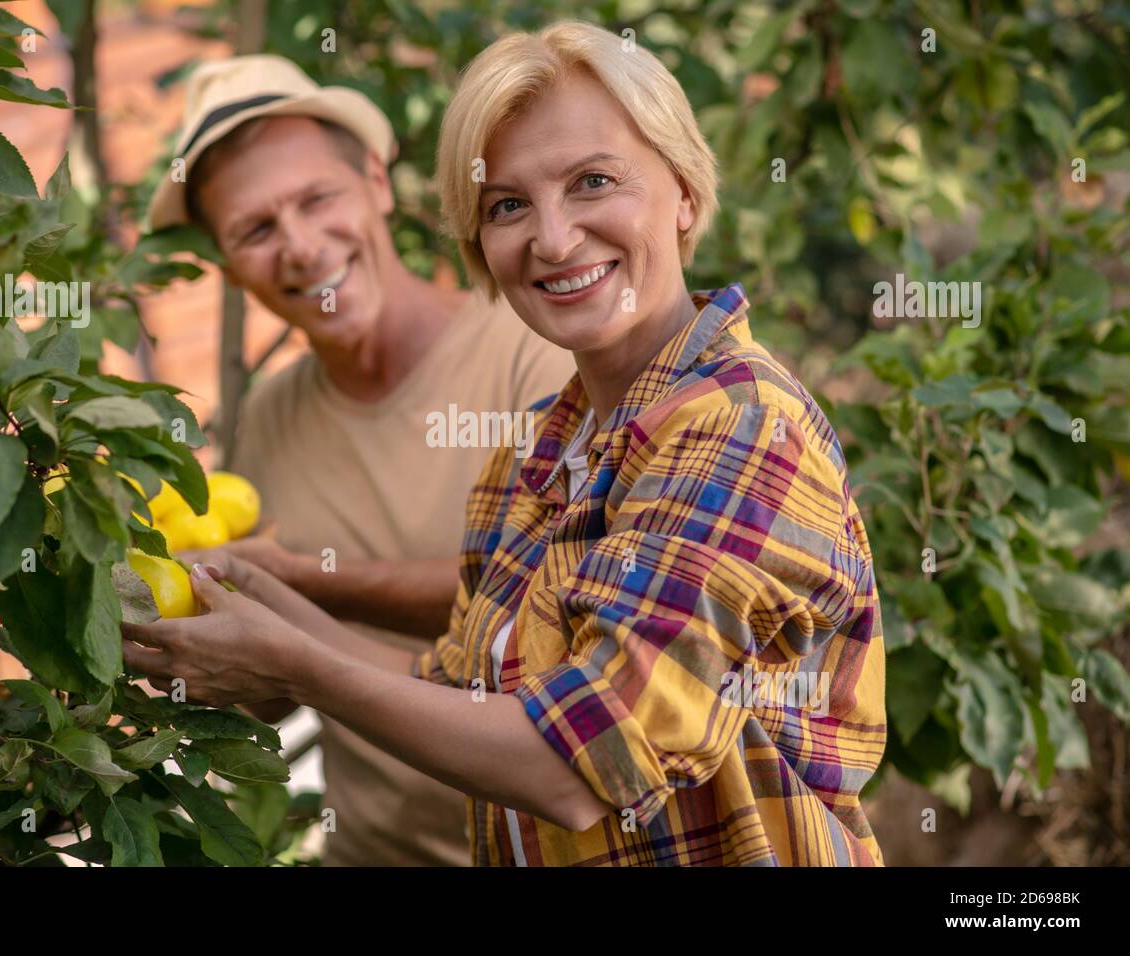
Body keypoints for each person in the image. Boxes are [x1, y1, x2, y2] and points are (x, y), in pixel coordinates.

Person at [128, 22, 886, 866]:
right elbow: (457, 690)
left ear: (683, 191)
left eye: (594, 181)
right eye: (508, 206)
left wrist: (295, 660)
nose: (554, 239)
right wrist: (258, 597)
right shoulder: (536, 456)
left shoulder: (740, 426)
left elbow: (578, 765)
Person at [146, 55, 574, 865]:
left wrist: (297, 578)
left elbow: (544, 608)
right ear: (229, 266)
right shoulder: (269, 420)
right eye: (257, 230)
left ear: (376, 181)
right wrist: (172, 621)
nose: (302, 249)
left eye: (317, 199)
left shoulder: (535, 349)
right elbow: (272, 694)